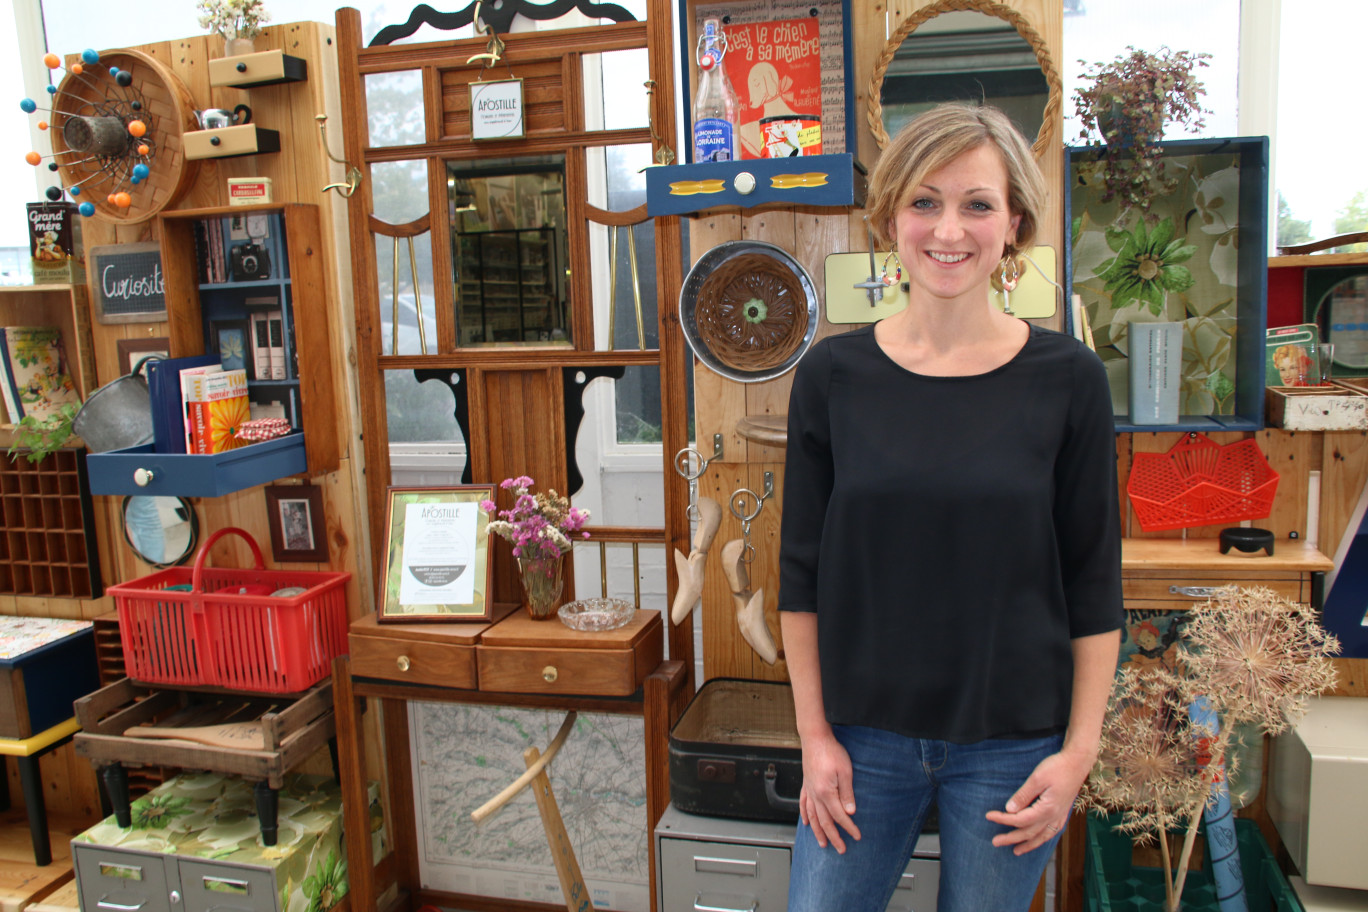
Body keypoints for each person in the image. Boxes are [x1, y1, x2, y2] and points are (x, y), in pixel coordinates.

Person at [778, 103, 1123, 912]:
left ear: (1013, 225)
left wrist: (1079, 753)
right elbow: (801, 575)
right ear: (892, 218)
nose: (948, 229)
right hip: (861, 740)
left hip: (1014, 749)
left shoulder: (1069, 379)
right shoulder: (832, 376)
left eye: (977, 203)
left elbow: (1094, 580)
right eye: (925, 202)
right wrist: (815, 737)